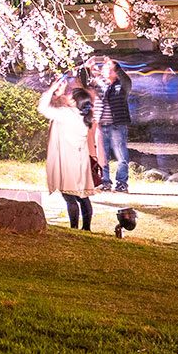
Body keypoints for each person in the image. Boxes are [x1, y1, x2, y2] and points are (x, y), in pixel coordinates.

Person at [39, 76, 99, 231]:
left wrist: (52, 89)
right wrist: (59, 95)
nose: (69, 96)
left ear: (75, 102)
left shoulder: (67, 114)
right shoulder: (83, 116)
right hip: (80, 160)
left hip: (67, 161)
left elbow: (43, 108)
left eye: (72, 96)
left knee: (69, 196)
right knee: (82, 195)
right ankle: (86, 228)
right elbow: (58, 106)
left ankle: (74, 227)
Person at [93, 57, 134, 193]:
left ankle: (121, 183)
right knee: (102, 155)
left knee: (121, 155)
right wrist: (88, 67)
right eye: (105, 68)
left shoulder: (121, 86)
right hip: (101, 125)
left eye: (109, 69)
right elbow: (85, 81)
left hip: (117, 125)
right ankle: (105, 181)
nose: (106, 70)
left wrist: (115, 66)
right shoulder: (100, 85)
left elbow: (127, 81)